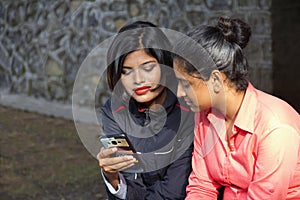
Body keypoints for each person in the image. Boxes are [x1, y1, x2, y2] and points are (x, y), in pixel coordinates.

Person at [172, 17, 300, 199]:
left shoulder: (276, 127)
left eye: (186, 84)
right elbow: (202, 186)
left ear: (215, 80)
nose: (179, 93)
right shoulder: (204, 115)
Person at [96, 21, 194, 200]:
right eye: (126, 72)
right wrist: (112, 178)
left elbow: (175, 190)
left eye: (148, 68)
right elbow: (129, 184)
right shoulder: (112, 111)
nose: (138, 79)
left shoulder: (189, 109)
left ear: (165, 65)